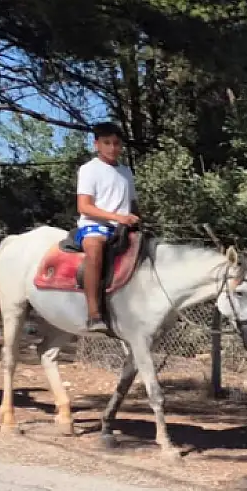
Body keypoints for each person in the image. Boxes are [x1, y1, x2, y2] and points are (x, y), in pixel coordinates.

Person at [74, 122, 139, 333]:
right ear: (97, 144)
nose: (112, 148)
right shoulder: (89, 170)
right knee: (95, 250)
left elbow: (133, 203)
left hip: (122, 228)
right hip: (94, 226)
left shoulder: (126, 172)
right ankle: (94, 313)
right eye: (107, 143)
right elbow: (84, 207)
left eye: (117, 143)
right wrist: (117, 217)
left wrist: (137, 218)